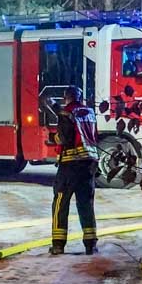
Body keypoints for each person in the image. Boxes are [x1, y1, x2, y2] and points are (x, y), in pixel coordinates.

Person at [51, 87, 99, 255]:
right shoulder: (90, 112)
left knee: (60, 203)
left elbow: (64, 138)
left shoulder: (66, 113)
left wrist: (53, 138)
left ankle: (58, 245)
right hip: (88, 165)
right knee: (86, 204)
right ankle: (90, 244)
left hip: (70, 164)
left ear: (66, 97)